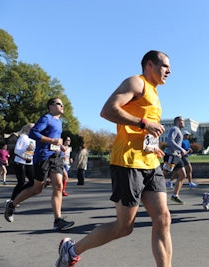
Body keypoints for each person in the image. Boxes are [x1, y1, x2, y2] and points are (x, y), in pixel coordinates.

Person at [55, 50, 172, 267]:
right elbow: (107, 110)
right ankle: (71, 250)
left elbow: (142, 131)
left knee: (163, 220)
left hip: (150, 163)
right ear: (149, 65)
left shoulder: (154, 92)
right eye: (165, 66)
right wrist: (145, 123)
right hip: (128, 163)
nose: (169, 70)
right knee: (124, 227)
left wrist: (153, 147)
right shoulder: (137, 83)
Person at [4, 97, 74, 231]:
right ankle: (12, 205)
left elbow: (56, 142)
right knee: (37, 188)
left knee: (59, 186)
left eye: (63, 104)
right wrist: (52, 141)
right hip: (43, 158)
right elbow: (33, 133)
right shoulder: (46, 118)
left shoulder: (59, 122)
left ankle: (57, 220)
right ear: (51, 106)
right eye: (59, 104)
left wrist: (61, 147)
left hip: (56, 157)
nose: (62, 106)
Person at [162, 116, 188, 204]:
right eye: (182, 120)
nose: (184, 122)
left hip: (176, 157)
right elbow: (170, 141)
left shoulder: (179, 131)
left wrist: (179, 152)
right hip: (171, 156)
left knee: (183, 175)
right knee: (163, 175)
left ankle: (175, 196)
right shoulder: (174, 129)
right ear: (178, 121)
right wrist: (181, 149)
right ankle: (147, 192)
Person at [10, 123, 36, 201]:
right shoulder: (23, 137)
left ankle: (20, 195)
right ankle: (13, 200)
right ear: (28, 129)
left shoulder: (33, 139)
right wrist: (26, 149)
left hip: (29, 162)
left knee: (32, 181)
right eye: (32, 128)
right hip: (20, 162)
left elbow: (33, 151)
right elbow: (16, 150)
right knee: (21, 182)